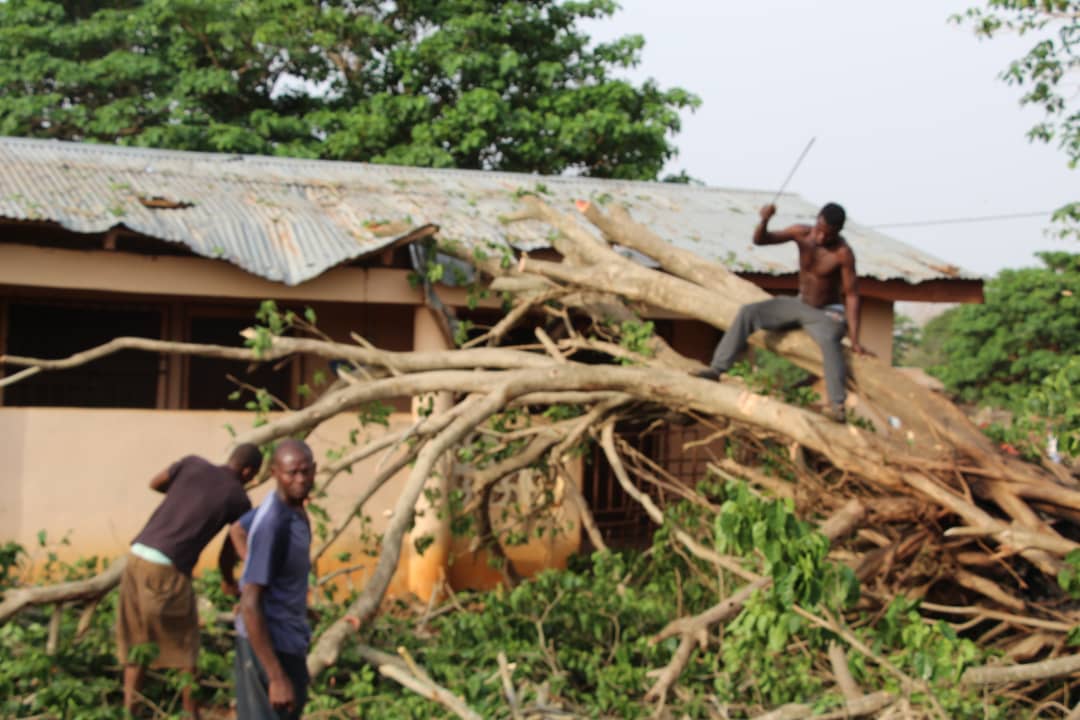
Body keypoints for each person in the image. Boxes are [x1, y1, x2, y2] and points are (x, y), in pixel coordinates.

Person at [117, 443, 261, 718]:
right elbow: (226, 554)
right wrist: (229, 582)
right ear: (248, 471)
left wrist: (180, 499)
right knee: (186, 648)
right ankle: (191, 713)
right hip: (166, 567)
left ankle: (129, 710)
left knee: (138, 644)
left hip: (135, 558)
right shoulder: (238, 499)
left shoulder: (192, 464)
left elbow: (155, 482)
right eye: (252, 476)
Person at [696, 202, 870, 421]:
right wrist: (764, 220)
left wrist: (855, 340)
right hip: (800, 303)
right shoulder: (801, 233)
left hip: (826, 312)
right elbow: (760, 240)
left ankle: (837, 405)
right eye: (820, 230)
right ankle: (717, 369)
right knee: (748, 313)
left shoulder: (843, 254)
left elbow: (852, 295)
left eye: (828, 235)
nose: (821, 238)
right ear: (817, 220)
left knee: (830, 341)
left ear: (837, 232)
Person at [228, 438, 316, 720]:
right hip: (268, 647)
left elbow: (237, 530)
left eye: (305, 471)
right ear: (275, 473)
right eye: (292, 473)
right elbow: (250, 602)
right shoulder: (273, 523)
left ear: (315, 470)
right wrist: (276, 677)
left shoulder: (294, 509)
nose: (300, 479)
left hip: (289, 637)